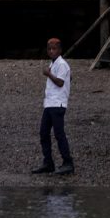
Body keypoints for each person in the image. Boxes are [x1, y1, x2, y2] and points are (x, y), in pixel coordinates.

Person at [32, 38, 74, 175]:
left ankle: (68, 163)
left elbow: (60, 82)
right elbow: (68, 78)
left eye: (54, 48)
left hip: (58, 103)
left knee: (59, 134)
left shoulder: (62, 64)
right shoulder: (55, 63)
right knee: (44, 133)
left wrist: (49, 74)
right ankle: (48, 162)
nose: (51, 51)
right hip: (49, 103)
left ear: (60, 50)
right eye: (49, 49)